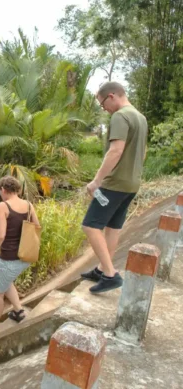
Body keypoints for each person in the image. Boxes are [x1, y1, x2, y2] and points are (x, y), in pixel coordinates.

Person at [81, 81, 148, 294]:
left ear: (111, 96)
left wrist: (96, 181)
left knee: (91, 225)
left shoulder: (120, 116)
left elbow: (115, 151)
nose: (104, 109)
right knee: (113, 226)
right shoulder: (140, 117)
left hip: (115, 183)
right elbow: (143, 152)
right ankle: (102, 269)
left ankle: (110, 275)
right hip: (131, 183)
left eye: (102, 104)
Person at [0, 176, 40, 341]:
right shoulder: (28, 205)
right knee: (7, 281)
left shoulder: (2, 206)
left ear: (3, 190)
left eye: (0, 190)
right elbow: (37, 227)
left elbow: (0, 235)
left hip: (9, 259)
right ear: (17, 189)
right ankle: (18, 311)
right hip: (25, 257)